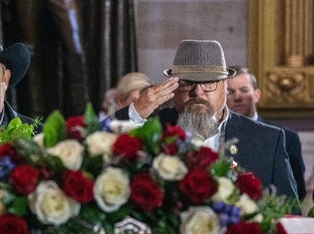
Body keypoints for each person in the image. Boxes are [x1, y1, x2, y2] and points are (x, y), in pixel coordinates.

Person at [115, 39, 299, 202]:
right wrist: (135, 112)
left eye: (209, 82)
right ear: (174, 88)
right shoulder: (153, 130)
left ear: (225, 87)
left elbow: (289, 212)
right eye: (187, 83)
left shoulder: (267, 140)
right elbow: (97, 150)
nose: (198, 92)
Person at [226, 65, 306, 200]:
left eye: (244, 90)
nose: (238, 97)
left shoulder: (286, 137)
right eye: (230, 92)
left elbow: (296, 192)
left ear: (256, 95)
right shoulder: (218, 135)